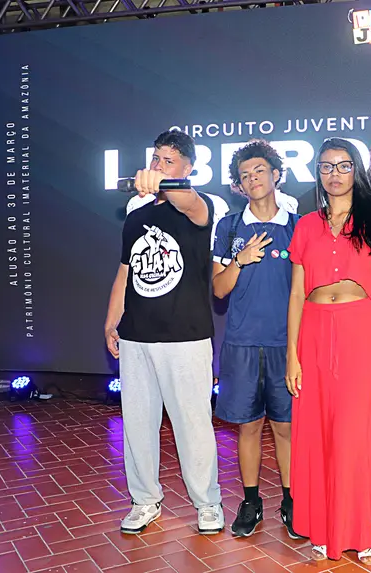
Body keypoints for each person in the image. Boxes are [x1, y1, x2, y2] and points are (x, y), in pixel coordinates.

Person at [104, 129, 224, 536]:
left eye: (169, 161)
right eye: (156, 159)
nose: (158, 165)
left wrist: (166, 184)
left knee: (193, 424)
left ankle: (207, 503)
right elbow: (125, 274)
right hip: (136, 337)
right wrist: (111, 321)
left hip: (186, 338)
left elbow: (187, 200)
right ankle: (144, 499)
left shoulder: (199, 208)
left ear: (188, 168)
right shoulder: (136, 217)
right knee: (137, 425)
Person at [285, 138, 371, 565]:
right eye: (327, 166)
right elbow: (296, 295)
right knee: (317, 433)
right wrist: (292, 354)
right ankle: (323, 526)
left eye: (344, 165)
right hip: (313, 333)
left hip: (359, 332)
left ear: (357, 171)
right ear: (317, 172)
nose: (335, 174)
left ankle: (359, 527)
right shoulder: (305, 226)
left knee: (354, 434)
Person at [211, 140, 302, 539]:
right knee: (248, 428)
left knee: (286, 428)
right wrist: (240, 259)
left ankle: (292, 500)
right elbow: (218, 289)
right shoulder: (228, 227)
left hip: (287, 345)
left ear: (276, 175)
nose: (253, 179)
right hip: (242, 345)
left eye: (259, 171)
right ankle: (251, 501)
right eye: (245, 175)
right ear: (238, 185)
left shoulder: (299, 226)